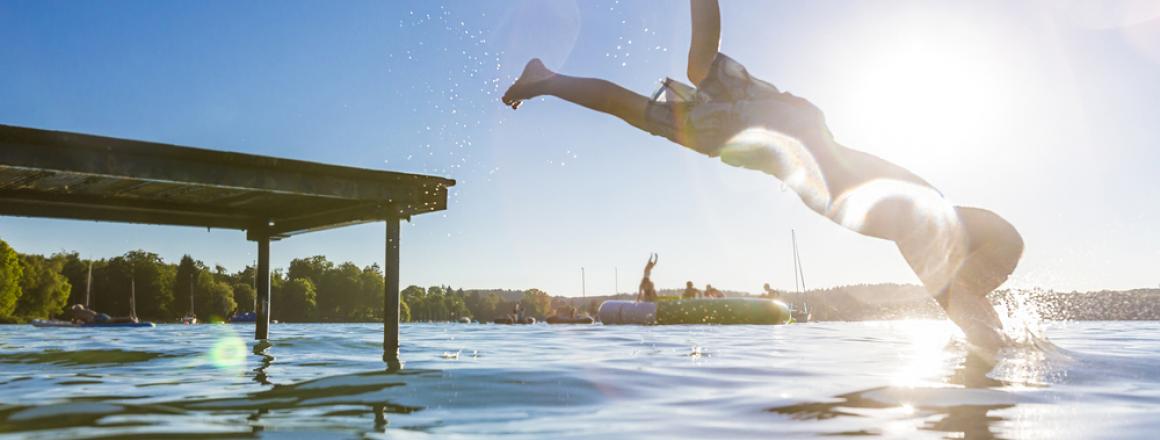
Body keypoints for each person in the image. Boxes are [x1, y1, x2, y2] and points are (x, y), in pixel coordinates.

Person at [502, 0, 1022, 349]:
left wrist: (978, 308)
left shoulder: (930, 226)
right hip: (784, 136)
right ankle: (547, 80)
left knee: (691, 71)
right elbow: (987, 272)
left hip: (793, 126)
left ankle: (547, 80)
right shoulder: (928, 233)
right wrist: (987, 330)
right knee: (656, 97)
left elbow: (996, 249)